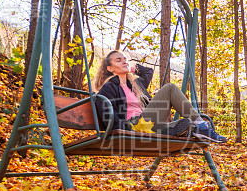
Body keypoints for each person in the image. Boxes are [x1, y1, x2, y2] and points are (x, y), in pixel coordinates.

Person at [93, 50, 227, 143]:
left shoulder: (135, 85)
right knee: (170, 88)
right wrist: (127, 131)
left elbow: (148, 72)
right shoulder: (109, 88)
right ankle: (200, 126)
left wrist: (132, 67)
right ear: (110, 68)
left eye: (125, 59)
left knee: (187, 124)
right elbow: (109, 116)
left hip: (148, 124)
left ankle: (195, 128)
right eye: (118, 60)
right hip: (134, 126)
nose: (124, 62)